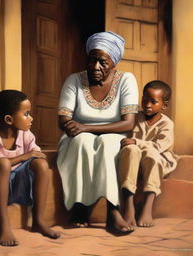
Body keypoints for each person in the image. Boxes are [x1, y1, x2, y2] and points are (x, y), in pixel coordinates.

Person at [57, 31, 139, 235]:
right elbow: (64, 119)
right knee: (82, 142)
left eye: (102, 62)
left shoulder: (126, 80)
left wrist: (86, 127)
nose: (95, 67)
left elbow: (128, 124)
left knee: (108, 144)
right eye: (91, 60)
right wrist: (75, 127)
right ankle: (80, 206)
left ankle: (113, 210)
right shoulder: (74, 80)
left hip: (113, 134)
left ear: (113, 62)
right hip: (77, 137)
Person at [0, 90, 60, 246]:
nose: (31, 118)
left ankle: (38, 220)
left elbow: (39, 156)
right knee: (2, 163)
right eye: (26, 114)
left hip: (17, 188)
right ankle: (3, 225)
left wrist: (34, 157)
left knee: (41, 164)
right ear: (9, 119)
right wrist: (22, 157)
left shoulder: (27, 135)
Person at [118, 80, 178, 227]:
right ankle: (129, 204)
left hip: (157, 157)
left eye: (153, 101)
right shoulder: (135, 117)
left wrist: (137, 142)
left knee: (152, 155)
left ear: (164, 105)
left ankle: (147, 207)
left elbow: (159, 146)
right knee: (131, 150)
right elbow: (126, 140)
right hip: (134, 158)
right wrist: (133, 144)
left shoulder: (167, 124)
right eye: (144, 99)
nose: (147, 105)